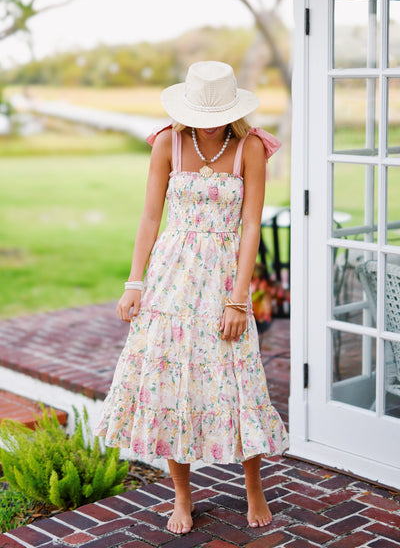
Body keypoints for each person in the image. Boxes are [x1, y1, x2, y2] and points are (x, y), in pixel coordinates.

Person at [94, 61, 289, 534]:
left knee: (238, 380)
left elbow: (249, 227)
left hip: (224, 280)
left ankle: (253, 484)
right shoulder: (167, 143)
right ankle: (182, 495)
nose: (208, 121)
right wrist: (134, 282)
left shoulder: (250, 148)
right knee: (170, 383)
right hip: (170, 280)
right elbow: (149, 219)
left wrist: (239, 298)